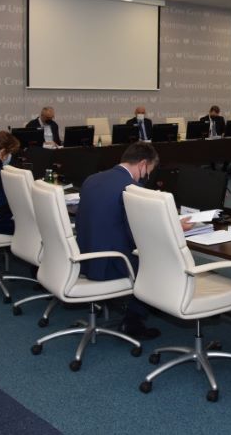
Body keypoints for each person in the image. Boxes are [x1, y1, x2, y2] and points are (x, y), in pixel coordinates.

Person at [74, 142, 193, 340]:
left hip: (83, 258)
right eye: (149, 172)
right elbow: (141, 234)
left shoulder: (92, 179)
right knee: (160, 262)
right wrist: (174, 225)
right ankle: (133, 320)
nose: (146, 177)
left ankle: (131, 304)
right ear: (143, 164)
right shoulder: (131, 189)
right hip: (110, 263)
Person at [200, 106, 228, 170]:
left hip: (218, 139)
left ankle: (224, 167)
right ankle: (213, 167)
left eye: (217, 114)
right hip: (208, 140)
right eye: (214, 114)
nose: (215, 116)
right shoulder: (203, 119)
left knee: (228, 149)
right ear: (210, 112)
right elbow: (201, 132)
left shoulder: (220, 119)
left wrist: (223, 134)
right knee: (212, 149)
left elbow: (224, 130)